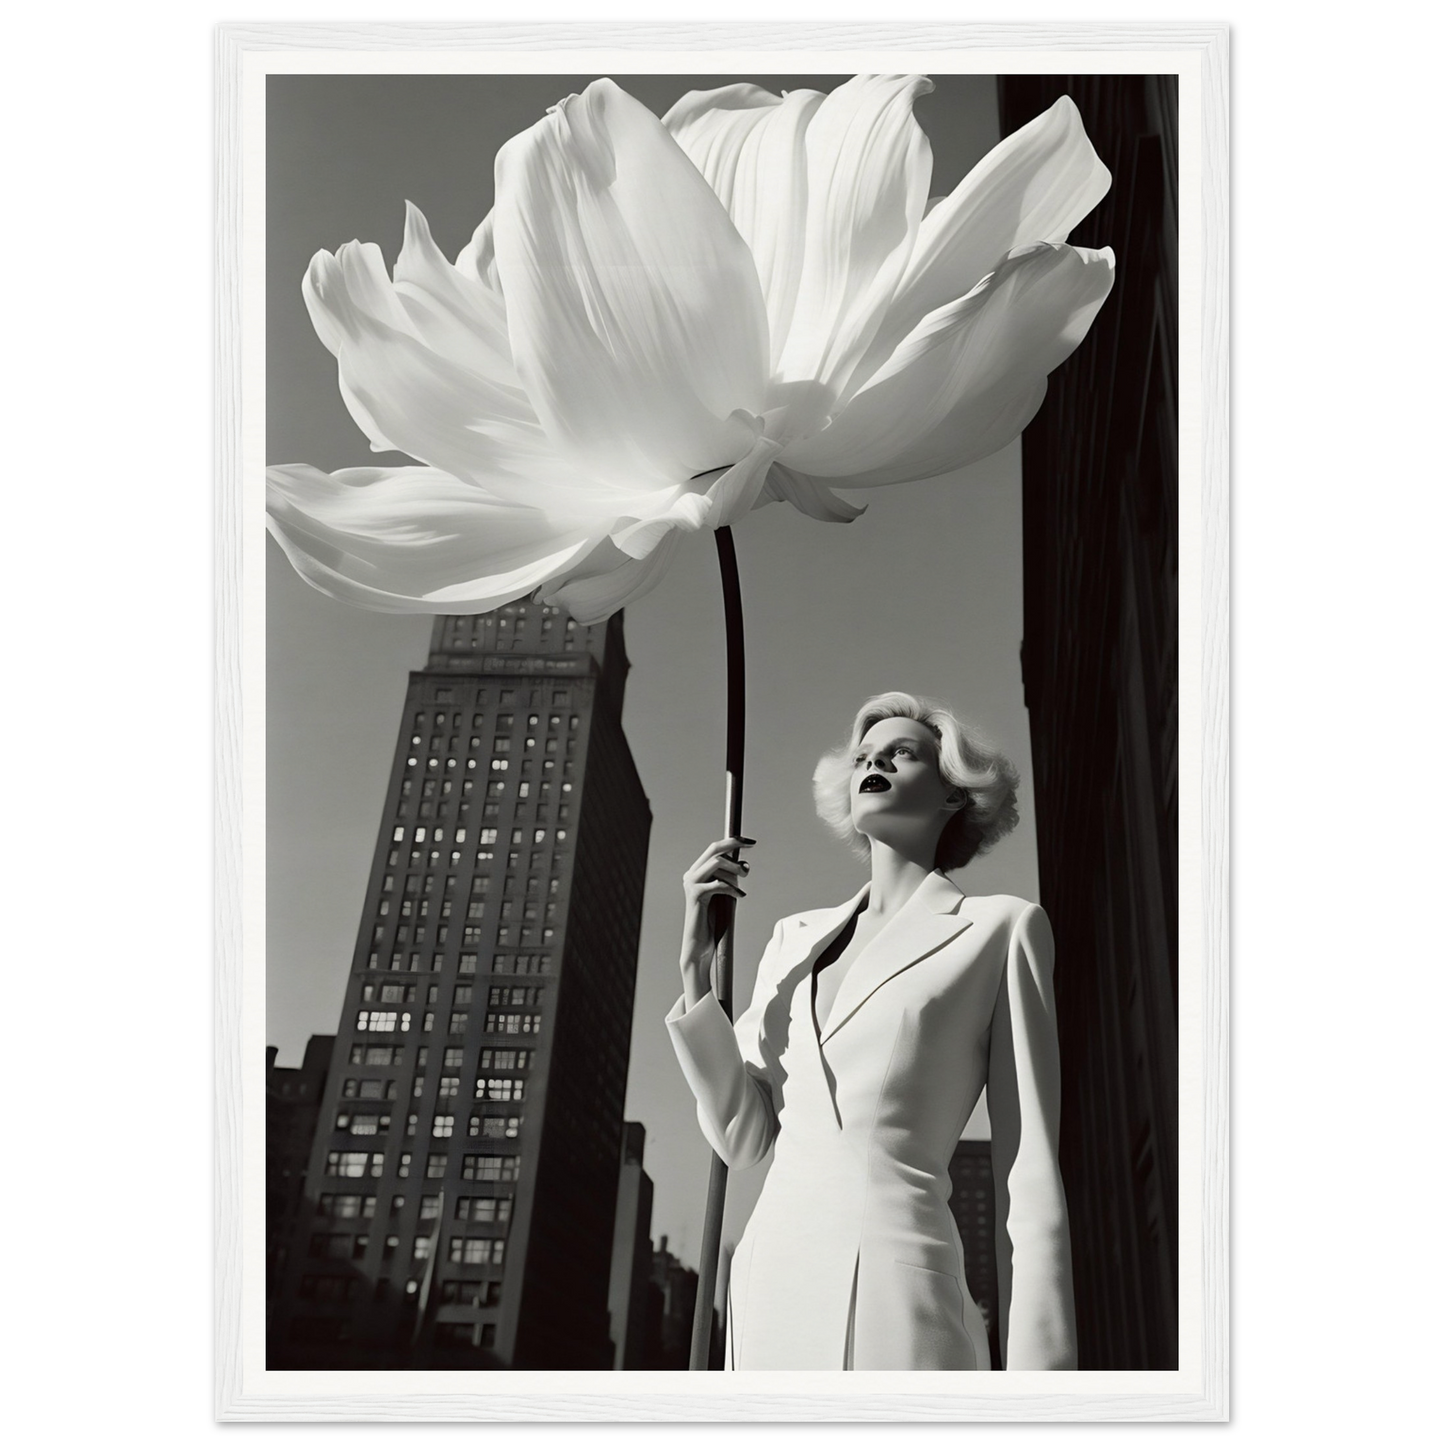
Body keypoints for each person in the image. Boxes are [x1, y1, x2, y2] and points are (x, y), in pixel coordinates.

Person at [665, 692, 1077, 1371]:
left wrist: (1043, 1386)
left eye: (900, 752)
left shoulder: (1002, 927)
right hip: (768, 1291)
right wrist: (693, 973)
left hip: (900, 1297)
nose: (874, 762)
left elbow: (1028, 1173)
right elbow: (741, 1138)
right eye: (862, 756)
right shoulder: (790, 939)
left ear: (952, 793)